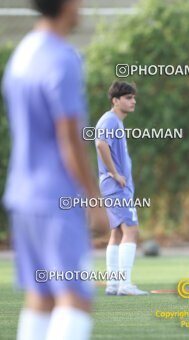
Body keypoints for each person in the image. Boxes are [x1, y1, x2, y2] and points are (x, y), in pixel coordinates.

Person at [2, 0, 109, 339]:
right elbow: (69, 137)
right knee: (75, 298)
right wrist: (94, 198)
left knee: (42, 297)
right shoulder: (62, 57)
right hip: (55, 197)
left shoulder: (22, 54)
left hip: (22, 195)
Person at [95, 81, 148, 296]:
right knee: (131, 231)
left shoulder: (115, 121)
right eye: (128, 98)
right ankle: (125, 284)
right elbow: (100, 144)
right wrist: (115, 173)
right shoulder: (109, 121)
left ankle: (114, 283)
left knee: (116, 233)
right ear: (115, 101)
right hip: (115, 185)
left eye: (133, 97)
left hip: (113, 186)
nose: (133, 101)